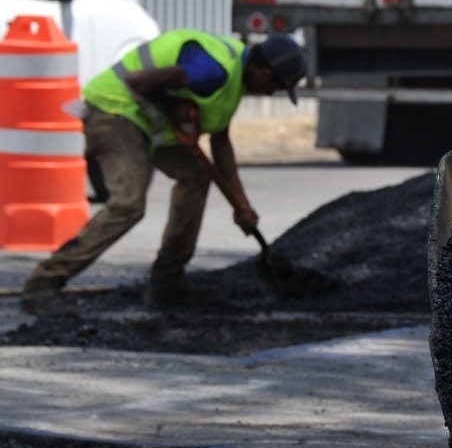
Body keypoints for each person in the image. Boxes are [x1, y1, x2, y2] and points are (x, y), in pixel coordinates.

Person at [20, 31, 306, 315]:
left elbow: (221, 144)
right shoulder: (213, 72)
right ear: (265, 75)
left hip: (148, 124)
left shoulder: (232, 79)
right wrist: (176, 107)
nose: (271, 94)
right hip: (115, 111)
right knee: (128, 204)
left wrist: (241, 204)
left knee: (195, 176)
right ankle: (44, 284)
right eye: (276, 88)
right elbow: (137, 82)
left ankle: (167, 283)